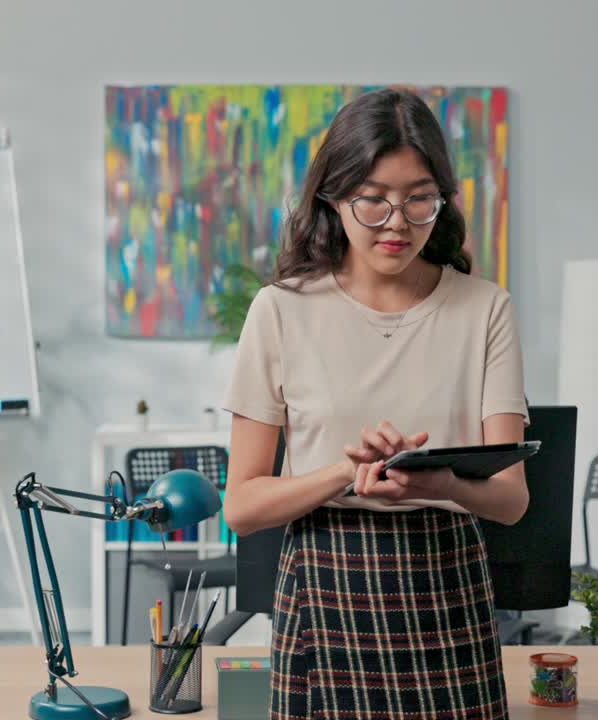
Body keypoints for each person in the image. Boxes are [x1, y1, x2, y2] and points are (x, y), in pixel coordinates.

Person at [221, 88, 529, 720]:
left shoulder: (485, 308)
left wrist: (438, 481)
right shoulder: (280, 310)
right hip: (326, 583)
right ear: (333, 197)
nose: (397, 222)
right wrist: (346, 473)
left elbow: (512, 497)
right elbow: (242, 507)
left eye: (419, 199)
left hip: (446, 581)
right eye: (374, 199)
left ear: (441, 200)